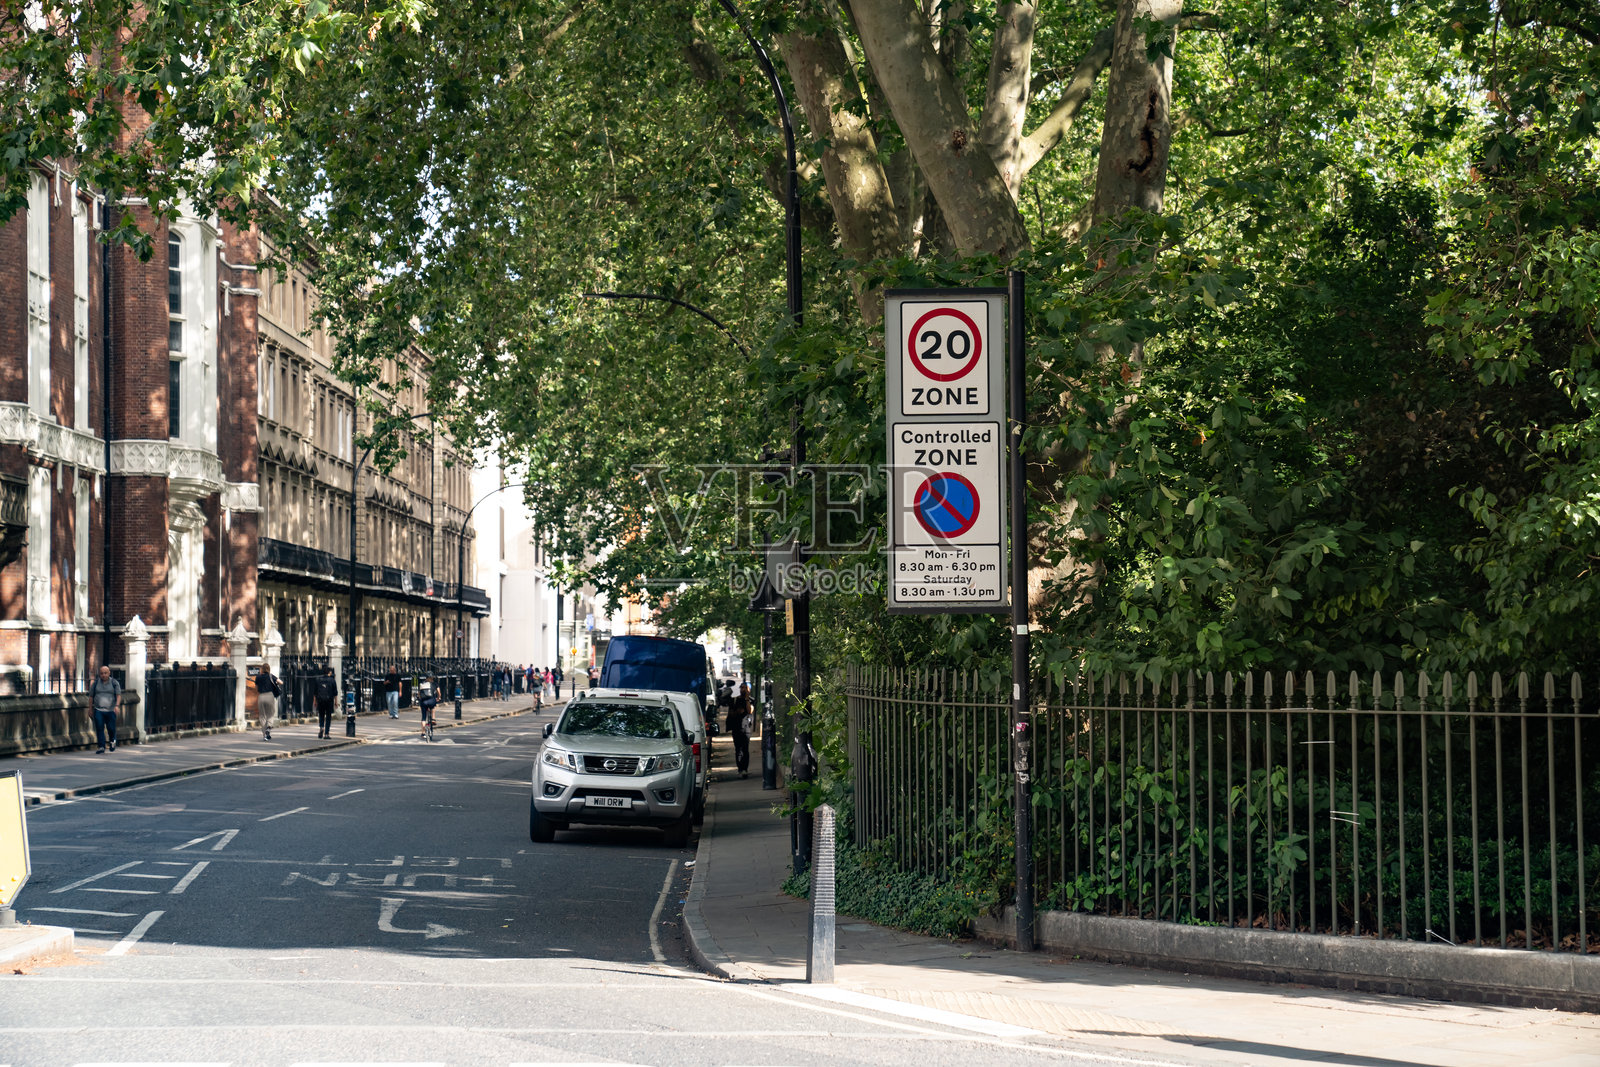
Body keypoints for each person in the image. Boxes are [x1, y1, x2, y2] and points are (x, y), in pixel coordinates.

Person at [89, 664, 122, 754]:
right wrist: (90, 709)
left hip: (110, 710)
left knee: (111, 728)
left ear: (109, 673)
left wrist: (117, 706)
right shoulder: (96, 683)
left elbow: (118, 695)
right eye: (101, 673)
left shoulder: (114, 683)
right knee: (99, 727)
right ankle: (101, 746)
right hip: (98, 709)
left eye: (105, 673)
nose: (103, 675)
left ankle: (112, 741)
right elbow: (91, 697)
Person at [727, 681, 753, 778]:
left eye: (745, 688)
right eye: (742, 687)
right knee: (738, 750)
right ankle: (740, 769)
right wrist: (736, 712)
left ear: (749, 689)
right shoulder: (735, 700)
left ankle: (745, 769)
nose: (743, 689)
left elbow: (750, 710)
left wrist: (747, 698)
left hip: (746, 729)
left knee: (745, 749)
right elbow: (730, 713)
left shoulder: (751, 700)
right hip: (736, 728)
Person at [255, 664, 281, 741]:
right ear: (268, 669)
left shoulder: (258, 677)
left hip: (261, 696)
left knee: (262, 716)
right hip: (270, 695)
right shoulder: (271, 676)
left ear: (262, 669)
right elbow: (281, 682)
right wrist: (275, 684)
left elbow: (256, 688)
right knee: (270, 714)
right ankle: (268, 728)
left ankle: (264, 735)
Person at [314, 666, 338, 739]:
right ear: (329, 672)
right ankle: (326, 734)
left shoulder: (318, 680)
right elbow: (335, 693)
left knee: (321, 715)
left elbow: (315, 692)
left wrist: (315, 701)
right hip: (329, 701)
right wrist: (336, 702)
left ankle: (321, 727)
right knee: (328, 717)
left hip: (320, 700)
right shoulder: (332, 680)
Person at [418, 675, 439, 739]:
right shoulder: (434, 684)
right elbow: (439, 692)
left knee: (423, 717)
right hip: (431, 700)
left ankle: (423, 733)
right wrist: (438, 697)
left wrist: (420, 699)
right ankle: (433, 719)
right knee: (433, 707)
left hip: (423, 702)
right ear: (432, 678)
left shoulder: (422, 684)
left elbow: (419, 694)